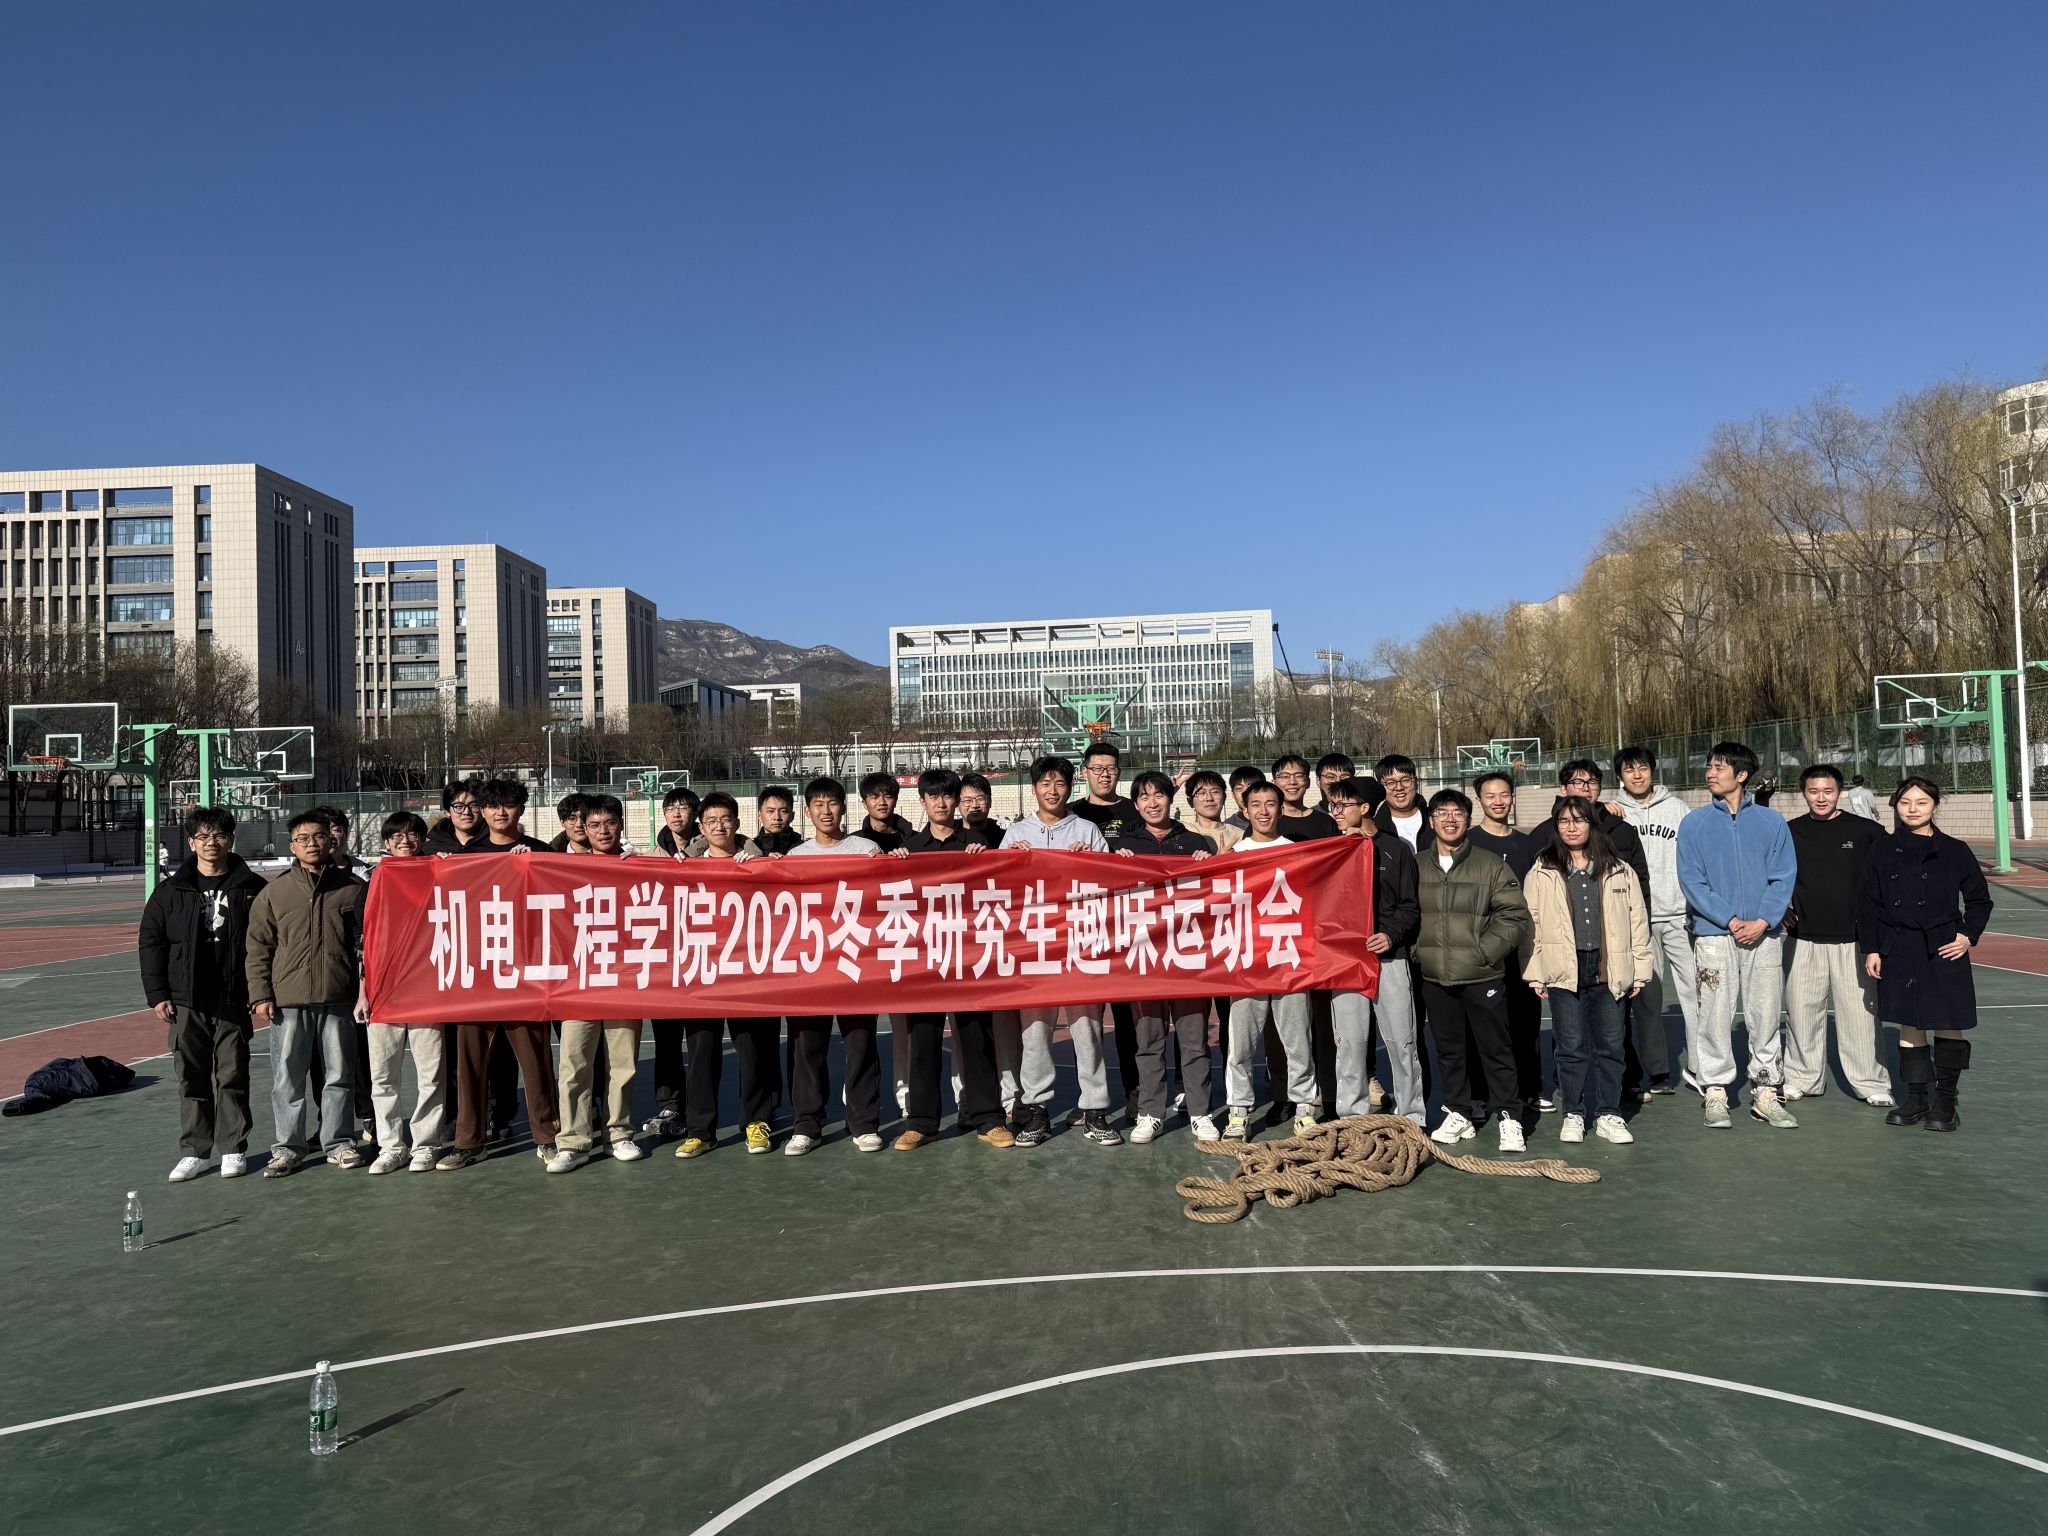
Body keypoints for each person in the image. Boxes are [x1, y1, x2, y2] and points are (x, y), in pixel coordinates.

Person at [436, 778, 562, 1171]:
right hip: (478, 975)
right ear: (483, 811)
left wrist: (534, 866)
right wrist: (439, 870)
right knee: (469, 1063)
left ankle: (547, 1136)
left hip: (526, 975)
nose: (500, 812)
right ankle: (469, 1141)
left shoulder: (541, 852)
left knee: (536, 1062)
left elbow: (562, 905)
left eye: (508, 804)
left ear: (521, 809)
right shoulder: (465, 856)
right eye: (492, 805)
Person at [140, 806, 268, 1182]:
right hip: (187, 998)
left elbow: (268, 942)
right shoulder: (170, 891)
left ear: (231, 840)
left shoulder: (253, 888)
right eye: (203, 836)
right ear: (192, 842)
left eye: (220, 835)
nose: (212, 843)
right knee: (191, 1076)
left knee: (233, 1074)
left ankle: (233, 1148)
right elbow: (151, 942)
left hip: (233, 996)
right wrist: (158, 994)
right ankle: (195, 1151)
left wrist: (261, 990)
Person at [1676, 741, 1798, 1131]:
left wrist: (1763, 920)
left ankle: (1766, 1091)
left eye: (1719, 767)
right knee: (1713, 1014)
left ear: (1742, 775)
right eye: (1709, 766)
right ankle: (1715, 1090)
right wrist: (1729, 919)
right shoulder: (1694, 823)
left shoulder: (1772, 822)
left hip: (1764, 934)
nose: (1710, 773)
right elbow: (1692, 881)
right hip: (1714, 935)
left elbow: (1783, 877)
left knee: (1766, 1013)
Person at [1860, 777, 1992, 1133]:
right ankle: (1916, 1098)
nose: (1913, 809)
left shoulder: (1955, 850)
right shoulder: (1881, 850)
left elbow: (1979, 900)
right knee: (1909, 1023)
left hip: (1943, 947)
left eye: (1921, 802)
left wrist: (1967, 936)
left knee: (1948, 1022)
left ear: (1935, 805)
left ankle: (1946, 1102)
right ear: (1895, 806)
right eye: (1905, 802)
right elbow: (1869, 904)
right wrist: (1872, 948)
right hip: (1899, 946)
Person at [1522, 798, 1652, 1146]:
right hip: (1563, 968)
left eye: (1579, 820)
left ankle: (1609, 1113)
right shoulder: (1542, 870)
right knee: (1570, 1047)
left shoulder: (1619, 869)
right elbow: (1531, 924)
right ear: (1556, 827)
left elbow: (1638, 921)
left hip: (1609, 967)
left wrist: (1640, 969)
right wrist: (1535, 971)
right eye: (1564, 821)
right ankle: (1574, 1114)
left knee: (1611, 1046)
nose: (1572, 827)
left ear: (1592, 825)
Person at [895, 768, 1013, 1150]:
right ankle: (921, 1123)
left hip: (968, 957)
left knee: (976, 1038)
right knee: (922, 1041)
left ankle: (989, 1119)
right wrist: (892, 862)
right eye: (934, 796)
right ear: (923, 802)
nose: (941, 803)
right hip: (926, 960)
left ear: (957, 801)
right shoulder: (910, 848)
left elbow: (999, 887)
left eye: (948, 796)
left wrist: (986, 858)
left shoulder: (977, 844)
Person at [999, 755, 1113, 1147]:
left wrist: (1093, 862)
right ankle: (1036, 1111)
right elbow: (997, 889)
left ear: (1070, 787)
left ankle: (1095, 1110)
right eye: (1045, 783)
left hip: (1080, 945)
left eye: (1060, 783)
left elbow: (1113, 883)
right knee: (1035, 1032)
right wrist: (1012, 862)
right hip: (1035, 948)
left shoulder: (1087, 830)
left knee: (1087, 1029)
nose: (1052, 791)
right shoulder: (1015, 834)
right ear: (1034, 789)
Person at [248, 813, 367, 1177]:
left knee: (340, 1075)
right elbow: (258, 948)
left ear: (332, 841)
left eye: (319, 836)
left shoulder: (352, 888)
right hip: (289, 1000)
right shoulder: (274, 893)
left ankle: (339, 1142)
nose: (312, 843)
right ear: (292, 846)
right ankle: (288, 1148)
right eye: (303, 838)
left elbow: (365, 945)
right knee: (288, 1078)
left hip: (338, 996)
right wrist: (261, 995)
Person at [1415, 789, 1533, 1151]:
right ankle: (1459, 1112)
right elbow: (1406, 912)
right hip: (1435, 977)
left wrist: (1484, 953)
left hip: (1483, 976)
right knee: (1449, 1051)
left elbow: (1515, 915)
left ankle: (1509, 1117)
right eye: (1442, 813)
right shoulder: (1417, 865)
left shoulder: (1490, 864)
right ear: (1431, 820)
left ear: (1468, 820)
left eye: (1458, 813)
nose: (1450, 820)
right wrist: (1420, 953)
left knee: (1495, 1049)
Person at [672, 792, 782, 1160]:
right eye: (711, 821)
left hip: (748, 974)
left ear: (737, 822)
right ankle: (700, 1131)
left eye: (726, 819)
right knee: (702, 1052)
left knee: (752, 1050)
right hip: (702, 972)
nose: (719, 826)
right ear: (701, 828)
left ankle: (757, 1121)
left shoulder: (758, 863)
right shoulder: (683, 867)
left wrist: (769, 867)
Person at [1110, 770, 1218, 1142]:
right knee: (1149, 1041)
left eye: (1159, 795)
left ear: (1171, 799)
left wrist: (1207, 863)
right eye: (1144, 797)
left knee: (1194, 1040)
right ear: (1135, 804)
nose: (1152, 803)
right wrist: (1117, 865)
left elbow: (1216, 893)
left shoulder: (1195, 842)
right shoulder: (1124, 846)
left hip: (1188, 957)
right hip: (1146, 958)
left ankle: (1201, 1112)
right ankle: (1151, 1113)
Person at [1544, 759, 1661, 1101]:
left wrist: (1635, 941)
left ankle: (1621, 1087)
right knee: (1569, 1031)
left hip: (1611, 947)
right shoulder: (1549, 833)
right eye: (1577, 782)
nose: (1585, 788)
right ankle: (1569, 1090)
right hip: (1568, 949)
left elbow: (1639, 888)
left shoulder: (1620, 829)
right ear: (1564, 789)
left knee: (1615, 1027)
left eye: (1592, 782)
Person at [783, 776, 885, 1155]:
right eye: (818, 804)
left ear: (844, 807)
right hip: (811, 967)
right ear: (807, 811)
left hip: (856, 963)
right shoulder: (794, 858)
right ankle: (807, 1125)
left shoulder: (867, 850)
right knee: (807, 1047)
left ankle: (863, 1123)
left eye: (833, 803)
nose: (826, 811)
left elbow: (884, 898)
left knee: (860, 1044)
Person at [547, 795, 646, 1173]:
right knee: (573, 1064)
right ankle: (573, 1141)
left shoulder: (638, 865)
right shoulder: (564, 868)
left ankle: (619, 1134)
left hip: (624, 980)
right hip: (580, 982)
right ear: (583, 829)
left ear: (621, 824)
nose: (603, 831)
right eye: (594, 825)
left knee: (623, 1064)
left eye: (610, 823)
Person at [1784, 765, 1891, 1107]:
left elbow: (1887, 878)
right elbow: (1771, 875)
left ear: (1839, 792)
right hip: (1803, 940)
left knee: (1860, 1016)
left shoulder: (1867, 832)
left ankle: (1871, 1082)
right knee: (1801, 1013)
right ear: (1804, 793)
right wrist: (1780, 909)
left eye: (1828, 791)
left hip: (1853, 941)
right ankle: (1801, 1077)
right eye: (1813, 791)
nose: (1821, 798)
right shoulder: (1789, 832)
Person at [1219, 781, 1321, 1142]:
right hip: (1246, 964)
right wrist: (1216, 863)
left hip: (1288, 961)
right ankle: (1239, 1111)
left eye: (1270, 804)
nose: (1263, 811)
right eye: (1256, 804)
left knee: (1298, 1041)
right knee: (1241, 1044)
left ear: (1281, 808)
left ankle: (1305, 1107)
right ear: (1244, 810)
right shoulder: (1233, 854)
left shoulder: (1297, 852)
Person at [1324, 778, 1423, 1125]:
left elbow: (1410, 906)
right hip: (1346, 962)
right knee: (1349, 1044)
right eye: (1332, 806)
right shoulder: (1330, 850)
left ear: (1365, 808)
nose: (1336, 812)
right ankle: (1352, 1118)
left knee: (1402, 1042)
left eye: (1343, 805)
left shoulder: (1397, 849)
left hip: (1390, 959)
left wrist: (1390, 935)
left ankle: (1412, 1117)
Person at [358, 812, 449, 1173]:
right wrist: (363, 991)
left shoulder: (439, 874)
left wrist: (448, 868)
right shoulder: (373, 881)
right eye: (396, 836)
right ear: (386, 842)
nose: (405, 841)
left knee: (431, 1074)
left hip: (426, 989)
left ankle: (426, 1144)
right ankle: (391, 1145)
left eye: (412, 835)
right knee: (382, 1075)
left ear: (423, 840)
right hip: (384, 991)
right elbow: (362, 943)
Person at [1610, 746, 1694, 1098]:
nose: (1637, 775)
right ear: (1620, 776)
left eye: (1642, 768)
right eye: (1629, 770)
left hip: (1679, 916)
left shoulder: (1678, 809)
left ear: (1653, 770)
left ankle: (1703, 1069)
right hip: (1639, 921)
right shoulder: (1612, 813)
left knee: (1696, 995)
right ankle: (1658, 1072)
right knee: (1647, 1002)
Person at [1469, 770, 1546, 1111]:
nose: (1498, 801)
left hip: (1520, 949)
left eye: (1503, 794)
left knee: (1525, 1023)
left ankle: (1530, 1088)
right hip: (1480, 950)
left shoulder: (1527, 845)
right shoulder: (1468, 843)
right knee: (1482, 1025)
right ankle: (1480, 1093)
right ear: (1479, 801)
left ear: (1512, 798)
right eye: (1490, 796)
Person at [1272, 753, 1340, 839]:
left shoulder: (1327, 822)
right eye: (1285, 776)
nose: (1292, 782)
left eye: (1299, 776)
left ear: (1308, 782)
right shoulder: (1267, 823)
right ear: (1273, 783)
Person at [1183, 769, 1243, 854]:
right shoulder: (1183, 832)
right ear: (1190, 802)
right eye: (1201, 793)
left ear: (1224, 798)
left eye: (1215, 792)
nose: (1209, 798)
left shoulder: (1240, 835)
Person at [854, 771, 915, 852]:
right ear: (864, 804)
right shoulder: (854, 843)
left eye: (888, 797)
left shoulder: (916, 840)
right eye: (875, 797)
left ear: (895, 801)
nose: (882, 802)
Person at [1373, 755, 1426, 848]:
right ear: (1380, 788)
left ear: (1416, 782)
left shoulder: (1436, 820)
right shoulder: (1375, 829)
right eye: (1390, 783)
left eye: (1405, 780)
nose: (1399, 787)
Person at [425, 778, 487, 851]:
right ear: (447, 811)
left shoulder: (496, 843)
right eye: (459, 806)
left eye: (473, 805)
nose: (466, 812)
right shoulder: (432, 846)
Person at [752, 784, 804, 856]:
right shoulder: (750, 851)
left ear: (792, 816)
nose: (777, 817)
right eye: (770, 811)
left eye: (783, 811)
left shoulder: (803, 849)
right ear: (759, 816)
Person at [654, 786, 700, 859]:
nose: (676, 814)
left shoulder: (711, 850)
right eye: (670, 809)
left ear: (695, 814)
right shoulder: (654, 856)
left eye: (683, 808)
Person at [1224, 764, 1262, 833]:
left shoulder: (1278, 823)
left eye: (1251, 787)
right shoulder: (1226, 828)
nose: (1245, 793)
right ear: (1233, 794)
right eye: (1239, 788)